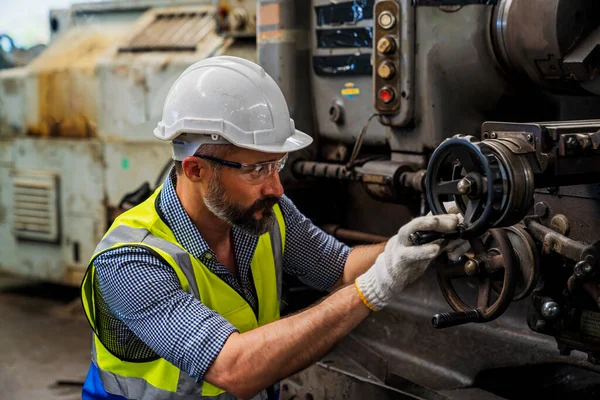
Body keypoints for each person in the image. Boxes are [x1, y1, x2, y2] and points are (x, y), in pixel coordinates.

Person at [80, 56, 461, 400]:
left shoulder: (263, 213)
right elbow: (235, 369)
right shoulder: (129, 261)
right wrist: (372, 290)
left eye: (276, 165)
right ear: (196, 170)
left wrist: (405, 244)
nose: (276, 188)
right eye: (257, 169)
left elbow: (339, 269)